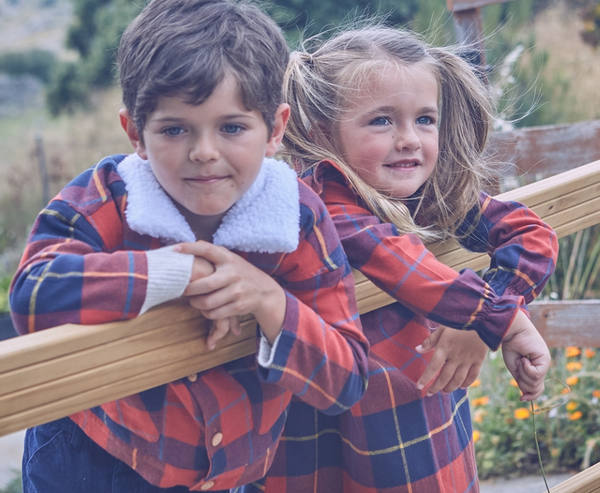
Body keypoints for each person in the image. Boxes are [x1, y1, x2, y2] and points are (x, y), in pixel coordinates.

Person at [8, 1, 370, 491]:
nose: (204, 152)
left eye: (232, 127)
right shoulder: (111, 195)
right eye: (175, 129)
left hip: (227, 473)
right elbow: (32, 296)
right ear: (135, 133)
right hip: (93, 456)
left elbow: (346, 379)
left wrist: (267, 300)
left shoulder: (297, 217)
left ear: (276, 129)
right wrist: (180, 273)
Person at [238, 26, 558, 492]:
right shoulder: (320, 201)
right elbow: (389, 254)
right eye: (382, 121)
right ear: (321, 131)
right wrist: (500, 319)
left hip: (425, 420)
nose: (409, 139)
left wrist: (489, 315)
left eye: (424, 119)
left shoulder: (432, 195)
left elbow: (532, 233)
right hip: (337, 431)